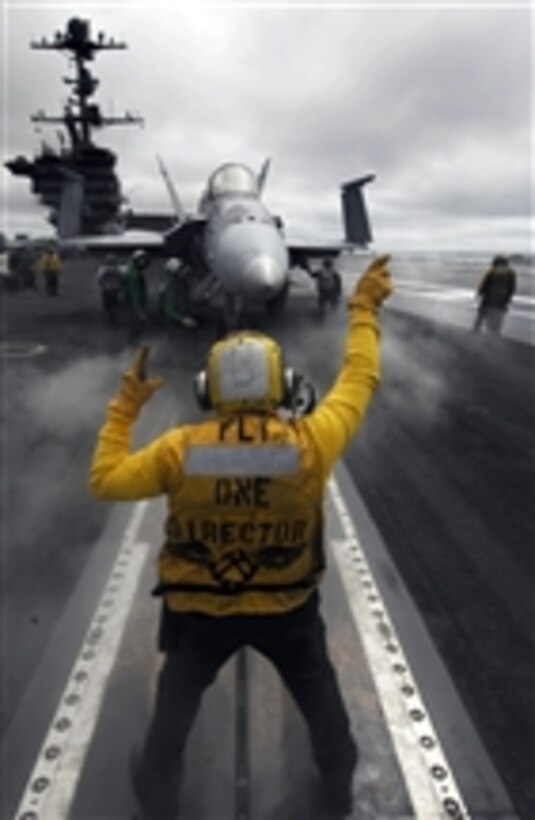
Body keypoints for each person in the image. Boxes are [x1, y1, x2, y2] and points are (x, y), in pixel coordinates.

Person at [89, 254, 393, 819]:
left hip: (199, 617)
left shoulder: (179, 450)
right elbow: (360, 377)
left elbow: (104, 482)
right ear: (282, 385)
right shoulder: (311, 443)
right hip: (289, 614)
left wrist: (124, 409)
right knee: (327, 718)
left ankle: (157, 802)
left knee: (171, 722)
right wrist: (363, 309)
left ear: (208, 390)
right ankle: (335, 797)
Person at [472, 255, 516, 335]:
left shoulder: (492, 271)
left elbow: (484, 284)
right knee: (498, 317)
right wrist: (508, 299)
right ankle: (495, 333)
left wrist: (479, 293)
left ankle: (476, 331)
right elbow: (512, 288)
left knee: (482, 314)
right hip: (502, 299)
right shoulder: (511, 273)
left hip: (489, 297)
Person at [158, 257, 198, 328]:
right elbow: (169, 309)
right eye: (180, 269)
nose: (183, 271)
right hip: (175, 322)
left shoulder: (178, 281)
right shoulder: (170, 287)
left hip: (183, 313)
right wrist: (183, 319)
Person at [123, 249, 150, 340]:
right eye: (141, 261)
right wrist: (140, 312)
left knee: (132, 328)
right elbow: (135, 295)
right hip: (133, 305)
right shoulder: (134, 275)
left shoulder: (130, 269)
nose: (143, 263)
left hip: (128, 303)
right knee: (136, 329)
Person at [96, 254, 123, 326]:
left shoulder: (103, 269)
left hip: (106, 289)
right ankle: (113, 316)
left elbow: (99, 278)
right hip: (115, 289)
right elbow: (121, 277)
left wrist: (101, 285)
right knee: (114, 303)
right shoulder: (118, 269)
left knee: (107, 304)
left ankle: (110, 315)